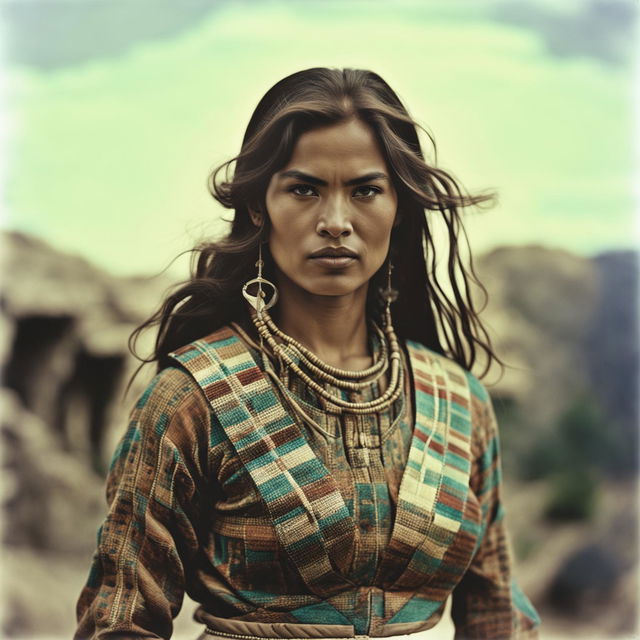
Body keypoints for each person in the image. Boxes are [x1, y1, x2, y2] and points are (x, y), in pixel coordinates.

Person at [74, 67, 540, 639]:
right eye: (304, 189)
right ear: (257, 207)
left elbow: (497, 616)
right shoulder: (189, 399)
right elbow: (120, 620)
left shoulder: (458, 401)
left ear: (400, 207)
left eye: (366, 190)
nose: (336, 222)